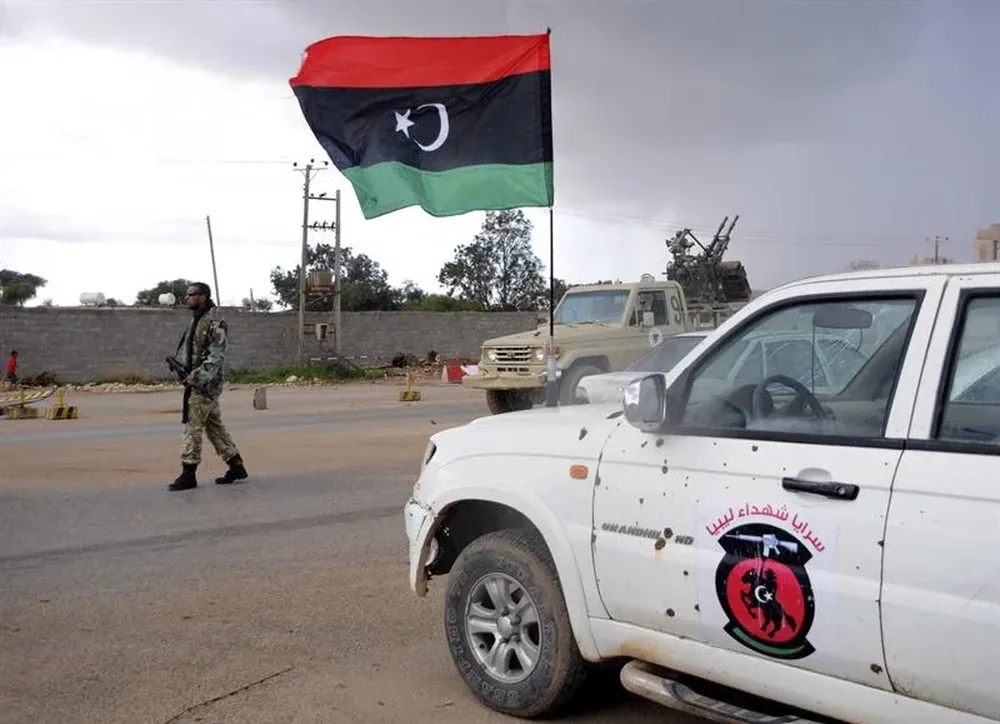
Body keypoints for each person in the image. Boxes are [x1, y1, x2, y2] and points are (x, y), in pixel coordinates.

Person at [169, 282, 248, 491]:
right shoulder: (197, 320)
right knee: (214, 427)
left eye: (191, 294)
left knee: (192, 427)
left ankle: (188, 474)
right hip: (197, 382)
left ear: (203, 296)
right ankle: (236, 465)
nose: (187, 298)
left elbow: (216, 355)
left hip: (204, 385)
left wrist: (198, 377)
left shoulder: (214, 321)